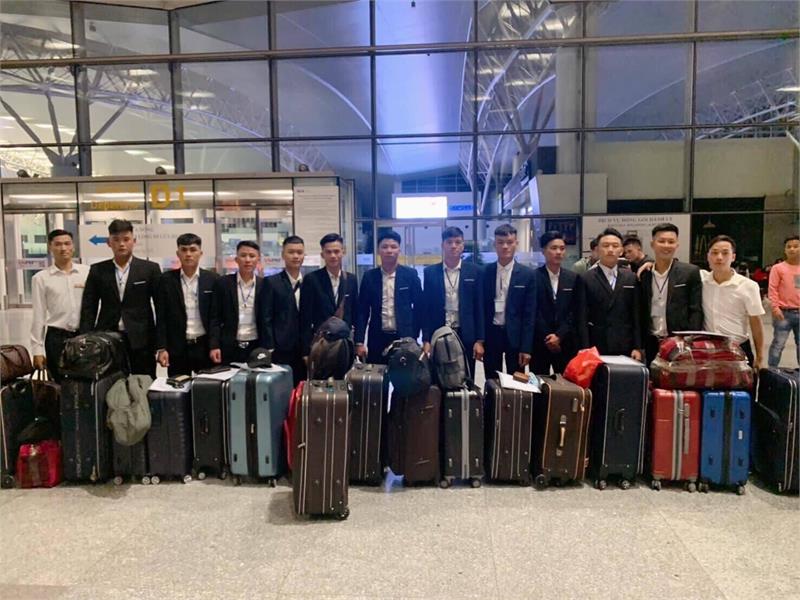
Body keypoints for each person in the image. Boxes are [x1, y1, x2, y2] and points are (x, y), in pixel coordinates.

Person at [79, 219, 161, 377]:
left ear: (134, 241)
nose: (121, 244)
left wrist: (161, 343)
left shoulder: (149, 269)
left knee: (143, 382)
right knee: (109, 382)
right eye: (116, 240)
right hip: (107, 337)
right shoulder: (98, 270)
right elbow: (89, 307)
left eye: (126, 239)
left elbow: (161, 307)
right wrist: (86, 339)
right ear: (109, 243)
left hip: (142, 338)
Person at [421, 226, 485, 378]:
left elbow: (479, 307)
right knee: (440, 376)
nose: (453, 246)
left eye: (458, 242)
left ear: (463, 246)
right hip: (439, 333)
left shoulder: (475, 271)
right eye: (449, 242)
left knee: (466, 377)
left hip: (466, 333)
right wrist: (426, 339)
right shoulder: (430, 273)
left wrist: (480, 340)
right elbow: (426, 309)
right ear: (443, 245)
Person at [638, 223, 703, 364]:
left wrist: (690, 340)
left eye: (671, 242)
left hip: (679, 342)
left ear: (677, 245)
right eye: (661, 241)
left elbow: (696, 310)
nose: (666, 245)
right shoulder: (644, 274)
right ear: (652, 244)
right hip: (651, 341)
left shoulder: (689, 272)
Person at [30, 229, 90, 382]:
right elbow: (39, 315)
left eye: (67, 243)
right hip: (57, 339)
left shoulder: (87, 272)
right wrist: (37, 350)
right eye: (57, 244)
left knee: (85, 382)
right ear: (50, 247)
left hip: (85, 336)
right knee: (59, 383)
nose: (63, 248)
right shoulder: (41, 278)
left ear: (73, 246)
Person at [155, 233, 219, 376]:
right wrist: (162, 347)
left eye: (193, 250)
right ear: (178, 253)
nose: (188, 254)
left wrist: (215, 345)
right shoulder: (166, 280)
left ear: (200, 253)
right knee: (178, 386)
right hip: (177, 347)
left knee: (207, 386)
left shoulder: (213, 279)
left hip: (204, 346)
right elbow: (161, 317)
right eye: (184, 250)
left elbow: (215, 317)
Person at [355, 230, 423, 365]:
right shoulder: (369, 277)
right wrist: (359, 342)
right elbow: (362, 311)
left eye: (393, 247)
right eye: (384, 247)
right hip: (377, 338)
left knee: (404, 377)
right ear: (378, 250)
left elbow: (420, 307)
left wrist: (415, 335)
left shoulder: (410, 275)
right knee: (377, 376)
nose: (389, 250)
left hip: (404, 338)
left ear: (399, 250)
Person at [701, 235, 765, 369]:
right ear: (708, 256)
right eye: (714, 253)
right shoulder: (701, 281)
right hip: (708, 349)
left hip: (738, 348)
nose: (719, 257)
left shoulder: (748, 286)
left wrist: (760, 356)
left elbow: (755, 322)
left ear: (733, 257)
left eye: (725, 253)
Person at [578, 227, 642, 360]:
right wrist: (585, 348)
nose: (610, 249)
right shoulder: (586, 278)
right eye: (606, 246)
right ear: (597, 249)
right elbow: (581, 316)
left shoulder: (631, 277)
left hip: (625, 344)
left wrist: (638, 346)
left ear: (621, 250)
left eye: (615, 246)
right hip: (596, 344)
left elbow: (636, 314)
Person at [481, 224, 535, 377]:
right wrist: (480, 340)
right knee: (492, 380)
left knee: (517, 381)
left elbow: (529, 315)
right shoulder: (484, 272)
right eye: (500, 242)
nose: (505, 246)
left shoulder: (527, 275)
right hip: (491, 334)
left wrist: (526, 347)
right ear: (495, 244)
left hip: (515, 336)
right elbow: (480, 309)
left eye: (510, 242)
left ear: (516, 244)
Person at [299, 233, 359, 362]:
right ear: (322, 254)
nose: (333, 256)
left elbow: (355, 313)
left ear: (343, 252)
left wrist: (358, 342)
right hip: (321, 343)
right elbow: (305, 317)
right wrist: (305, 350)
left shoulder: (351, 279)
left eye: (336, 251)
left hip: (344, 344)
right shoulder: (312, 280)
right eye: (328, 252)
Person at [257, 235, 307, 384]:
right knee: (281, 388)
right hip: (280, 348)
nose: (295, 256)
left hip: (304, 348)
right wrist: (269, 346)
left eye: (299, 252)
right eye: (291, 252)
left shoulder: (309, 282)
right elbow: (265, 317)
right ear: (283, 255)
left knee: (302, 388)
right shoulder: (271, 282)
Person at [532, 230, 583, 375]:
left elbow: (575, 311)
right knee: (539, 382)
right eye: (553, 248)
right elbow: (533, 310)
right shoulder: (533, 277)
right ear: (543, 251)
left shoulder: (573, 278)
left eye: (562, 248)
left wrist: (559, 336)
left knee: (566, 383)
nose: (558, 252)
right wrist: (548, 336)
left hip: (565, 342)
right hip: (540, 341)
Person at [209, 240, 263, 365]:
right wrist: (214, 345)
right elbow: (214, 317)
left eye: (252, 256)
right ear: (236, 259)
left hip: (256, 345)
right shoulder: (223, 283)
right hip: (229, 345)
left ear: (258, 260)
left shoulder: (265, 285)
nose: (247, 260)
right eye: (243, 255)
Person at [767, 235, 799, 367]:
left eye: (795, 246)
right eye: (788, 247)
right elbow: (772, 289)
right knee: (778, 344)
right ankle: (772, 372)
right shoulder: (778, 268)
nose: (792, 249)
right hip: (783, 313)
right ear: (785, 250)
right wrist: (775, 308)